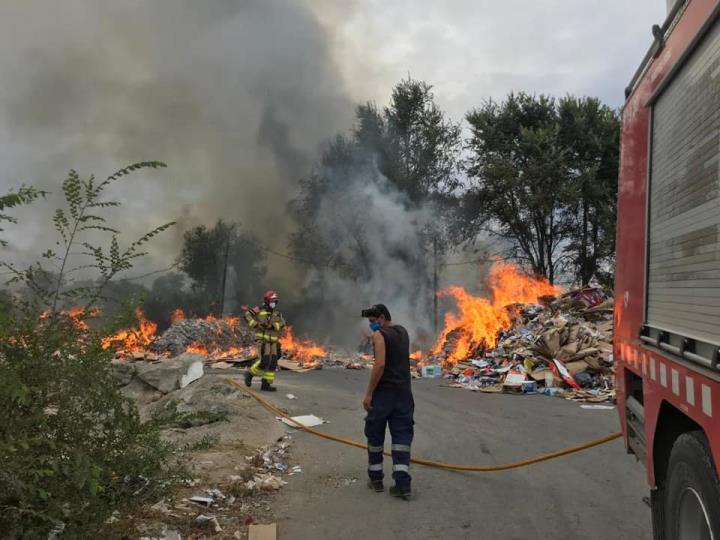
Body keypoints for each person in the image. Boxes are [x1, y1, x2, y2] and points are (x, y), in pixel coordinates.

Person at [361, 303, 414, 500]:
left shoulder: (379, 335)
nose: (372, 326)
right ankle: (403, 484)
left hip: (384, 394)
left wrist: (368, 394)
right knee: (402, 438)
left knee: (374, 435)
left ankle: (376, 479)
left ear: (382, 318)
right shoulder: (403, 332)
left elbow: (380, 364)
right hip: (404, 394)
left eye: (373, 322)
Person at [243, 290, 285, 392]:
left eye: (275, 301)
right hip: (263, 341)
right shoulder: (258, 310)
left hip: (273, 343)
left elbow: (282, 323)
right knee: (264, 362)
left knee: (273, 363)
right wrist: (256, 324)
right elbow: (247, 315)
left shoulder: (277, 313)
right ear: (267, 301)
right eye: (272, 301)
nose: (274, 303)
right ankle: (250, 374)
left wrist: (272, 325)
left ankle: (266, 384)